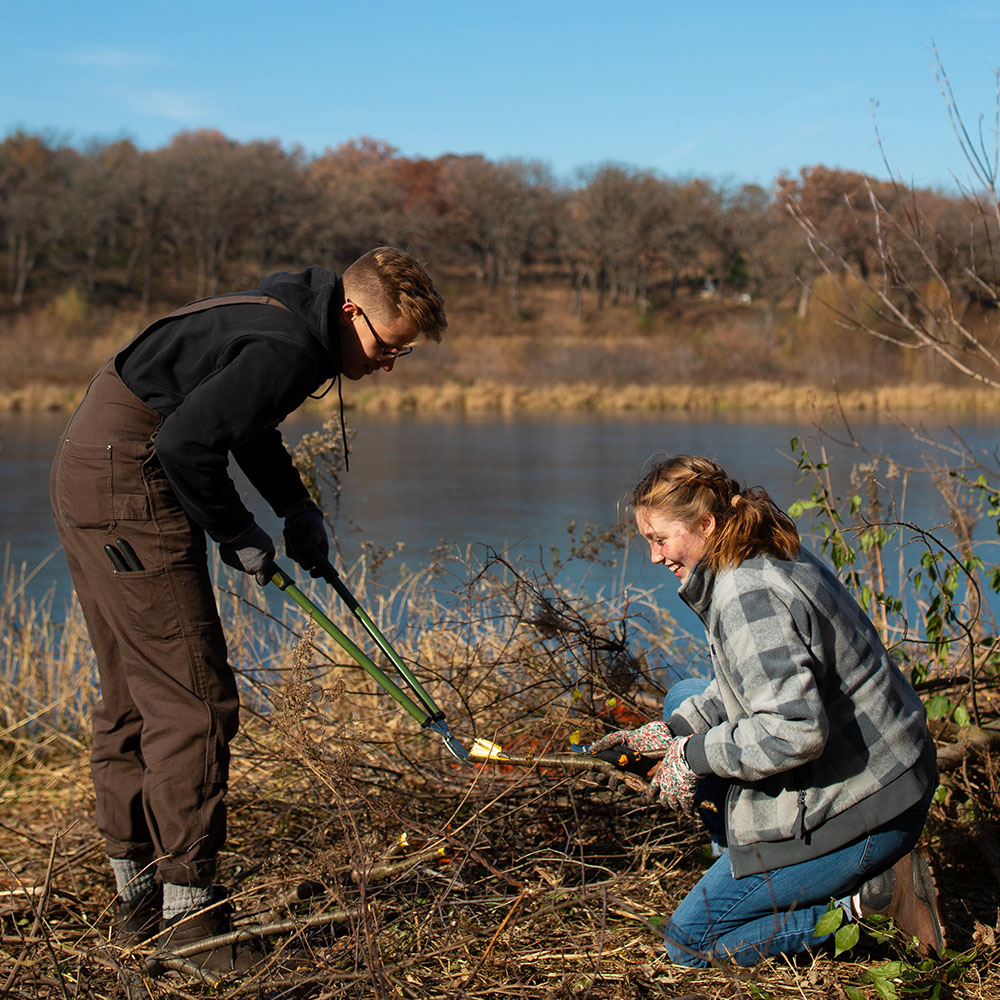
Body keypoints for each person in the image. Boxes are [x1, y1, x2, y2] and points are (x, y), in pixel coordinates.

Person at [49, 247, 447, 971]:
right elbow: (186, 442)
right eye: (388, 345)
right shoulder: (292, 344)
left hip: (93, 466)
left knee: (136, 696)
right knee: (193, 701)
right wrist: (238, 533)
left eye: (404, 352)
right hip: (126, 480)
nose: (390, 362)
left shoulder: (287, 325)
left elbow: (245, 424)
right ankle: (187, 919)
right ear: (351, 312)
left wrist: (295, 509)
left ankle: (138, 902)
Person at [590, 455, 946, 967]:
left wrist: (693, 756)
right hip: (892, 774)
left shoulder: (745, 591)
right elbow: (749, 684)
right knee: (682, 697)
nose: (652, 555)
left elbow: (795, 731)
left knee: (688, 944)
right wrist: (673, 732)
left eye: (661, 539)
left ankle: (871, 902)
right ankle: (749, 864)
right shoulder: (760, 546)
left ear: (706, 525)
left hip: (871, 808)